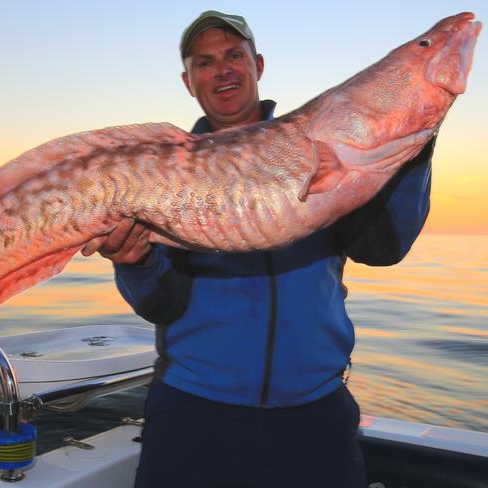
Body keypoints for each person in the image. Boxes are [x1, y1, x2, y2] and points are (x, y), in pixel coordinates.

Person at [82, 10, 433, 488]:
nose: (222, 70)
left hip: (315, 412)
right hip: (195, 410)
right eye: (205, 63)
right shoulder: (163, 174)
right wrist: (135, 260)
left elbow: (384, 247)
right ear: (189, 82)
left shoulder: (324, 147)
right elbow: (161, 303)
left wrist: (412, 147)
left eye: (233, 55)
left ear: (258, 65)